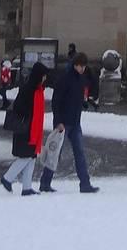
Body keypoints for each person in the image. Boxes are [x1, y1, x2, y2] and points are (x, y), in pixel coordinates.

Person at [39, 50, 99, 194]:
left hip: (75, 122)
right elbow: (56, 101)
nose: (83, 69)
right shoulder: (65, 78)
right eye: (81, 66)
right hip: (64, 123)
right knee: (55, 154)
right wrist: (58, 121)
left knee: (80, 153)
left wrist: (83, 103)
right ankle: (45, 183)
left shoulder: (81, 78)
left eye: (84, 66)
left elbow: (81, 93)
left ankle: (85, 183)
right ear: (75, 65)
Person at [1, 62, 48, 196]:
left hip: (31, 128)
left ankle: (26, 187)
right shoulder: (29, 89)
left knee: (31, 156)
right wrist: (30, 114)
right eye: (43, 76)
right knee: (26, 156)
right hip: (26, 128)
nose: (45, 78)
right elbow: (20, 108)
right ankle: (7, 178)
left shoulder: (35, 88)